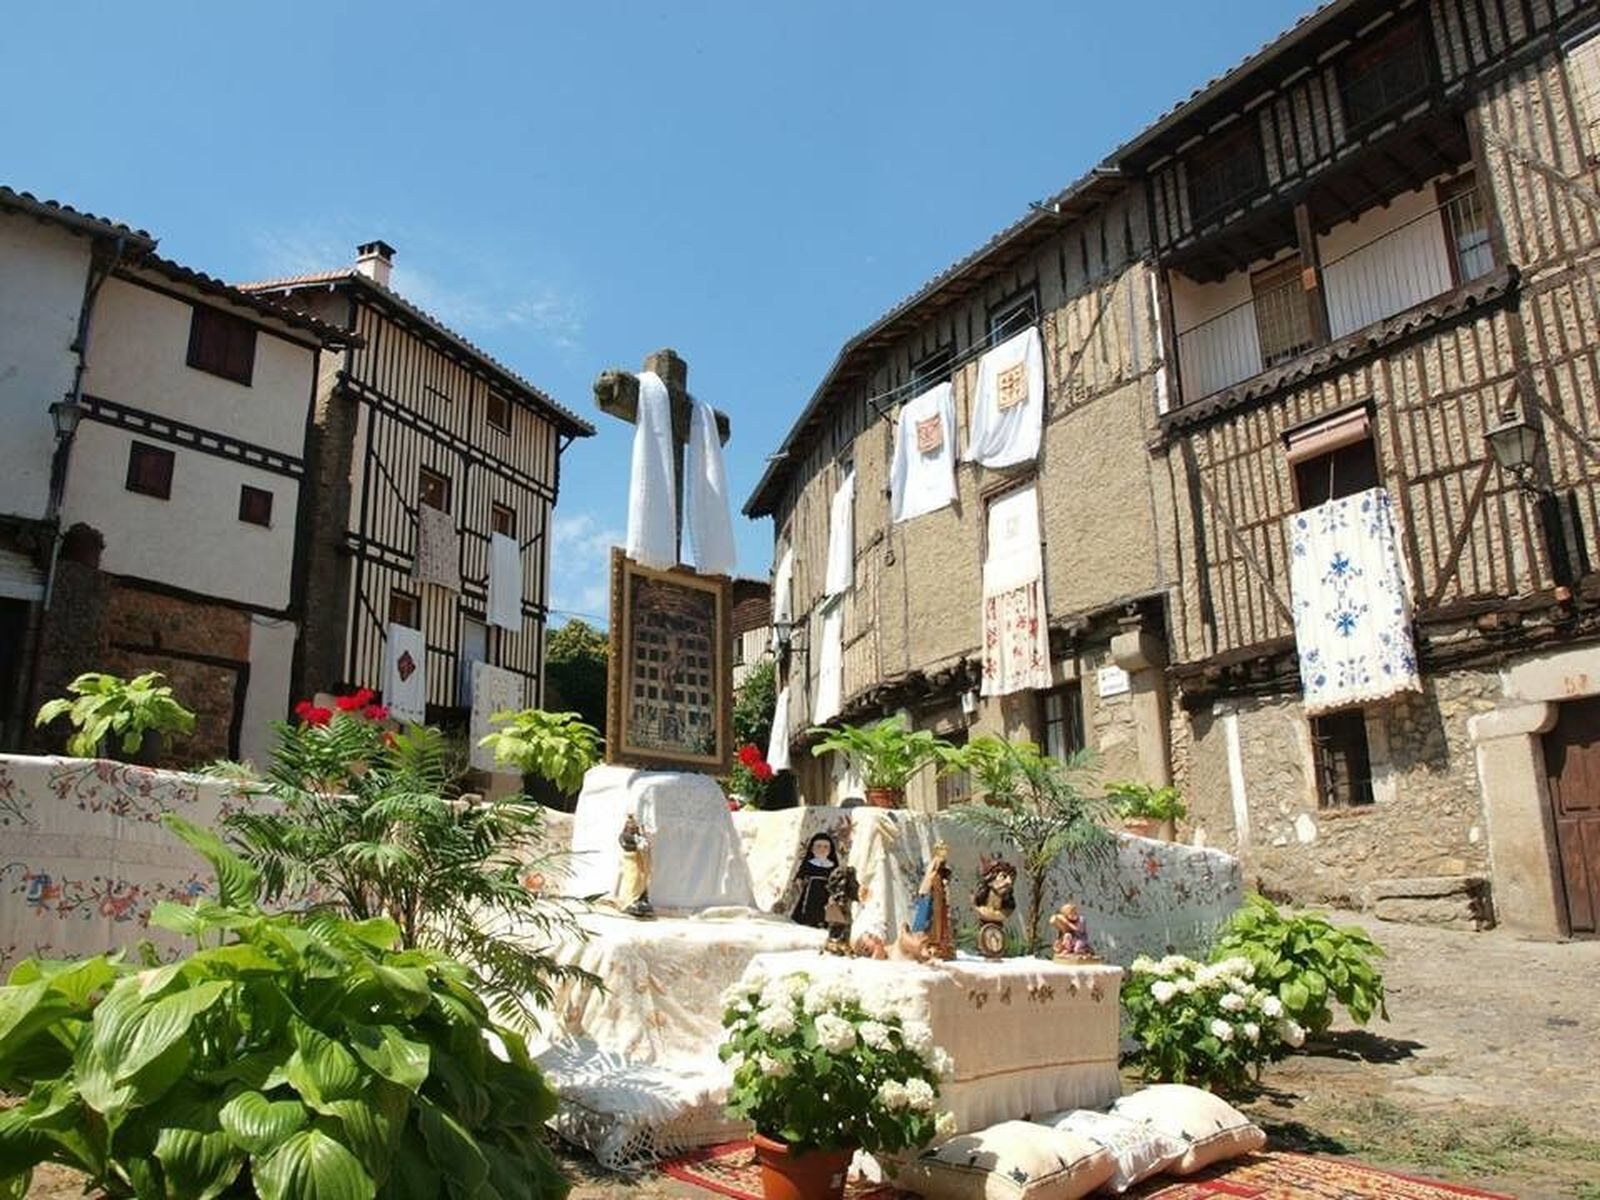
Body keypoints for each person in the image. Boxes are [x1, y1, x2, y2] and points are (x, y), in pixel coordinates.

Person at [909, 840, 955, 959]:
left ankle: (942, 944)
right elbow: (927, 886)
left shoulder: (942, 874)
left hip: (940, 904)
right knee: (930, 923)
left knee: (942, 923)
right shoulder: (933, 874)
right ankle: (930, 942)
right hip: (933, 903)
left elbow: (945, 885)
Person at [790, 833, 838, 927]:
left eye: (825, 847)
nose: (822, 849)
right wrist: (799, 880)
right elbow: (801, 873)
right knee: (809, 906)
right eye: (818, 846)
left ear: (830, 850)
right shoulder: (809, 863)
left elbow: (836, 877)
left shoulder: (832, 865)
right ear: (812, 849)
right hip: (811, 889)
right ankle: (807, 919)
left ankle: (822, 921)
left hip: (826, 890)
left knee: (824, 907)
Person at [615, 814, 653, 919]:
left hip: (640, 860)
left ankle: (641, 899)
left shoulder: (638, 836)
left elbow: (644, 843)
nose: (633, 827)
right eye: (631, 825)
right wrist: (636, 845)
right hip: (630, 860)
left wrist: (642, 842)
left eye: (635, 826)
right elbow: (626, 844)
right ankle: (629, 902)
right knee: (633, 879)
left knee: (642, 879)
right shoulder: (625, 836)